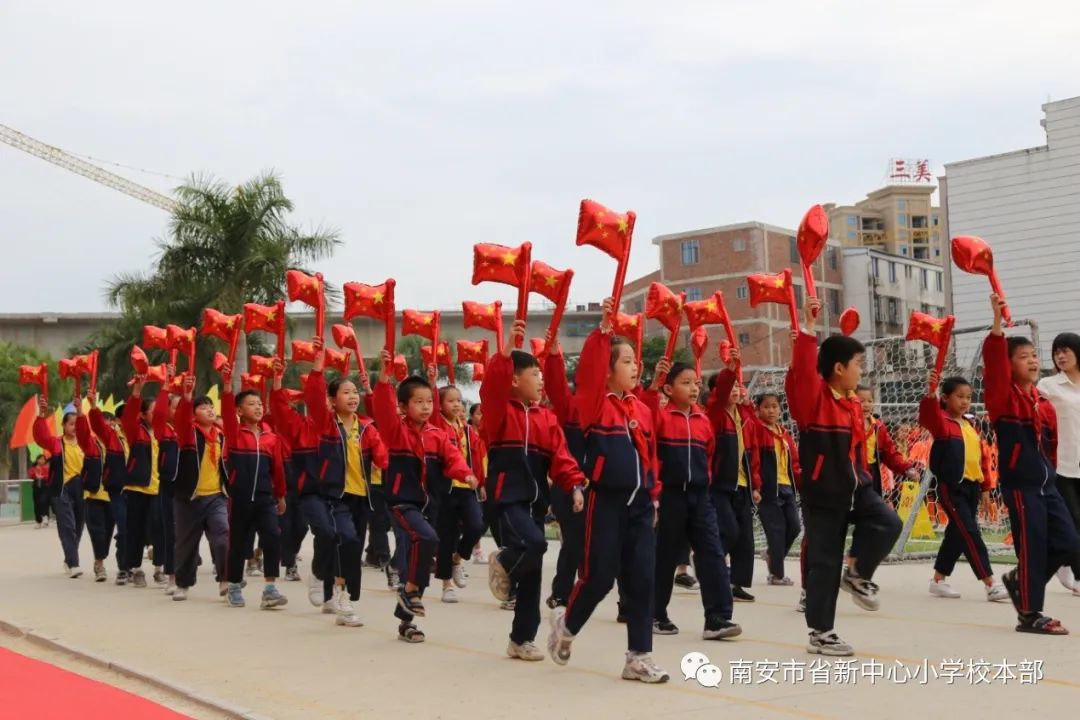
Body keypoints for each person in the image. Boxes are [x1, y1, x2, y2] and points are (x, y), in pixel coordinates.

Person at [548, 298, 669, 684]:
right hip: (605, 502)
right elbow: (588, 373)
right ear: (608, 369)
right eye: (627, 361)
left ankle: (638, 657)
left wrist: (654, 496)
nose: (635, 367)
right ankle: (567, 625)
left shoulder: (643, 409)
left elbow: (650, 457)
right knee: (600, 577)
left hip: (639, 505)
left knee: (642, 578)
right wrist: (602, 332)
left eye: (636, 361)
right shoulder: (595, 404)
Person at [786, 297, 902, 656]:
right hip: (824, 493)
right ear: (838, 368)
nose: (860, 370)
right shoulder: (812, 399)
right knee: (823, 561)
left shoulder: (852, 402)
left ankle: (857, 573)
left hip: (858, 487)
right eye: (857, 364)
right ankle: (821, 633)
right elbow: (803, 372)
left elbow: (855, 449)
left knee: (889, 523)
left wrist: (865, 477)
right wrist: (807, 327)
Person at [481, 322, 585, 660]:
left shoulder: (547, 418)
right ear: (515, 380)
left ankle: (521, 639)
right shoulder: (499, 413)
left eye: (542, 375)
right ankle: (503, 562)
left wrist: (573, 485)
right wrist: (506, 352)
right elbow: (492, 389)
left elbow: (562, 457)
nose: (541, 381)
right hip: (506, 498)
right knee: (535, 545)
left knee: (534, 570)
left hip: (535, 503)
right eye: (534, 375)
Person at [983, 294, 1080, 634]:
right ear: (1008, 366)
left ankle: (1019, 580)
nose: (1033, 361)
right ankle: (1030, 614)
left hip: (1047, 484)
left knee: (1070, 542)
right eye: (1023, 357)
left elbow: (1050, 444)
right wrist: (996, 323)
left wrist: (1050, 472)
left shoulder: (1039, 401)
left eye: (1034, 355)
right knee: (1033, 545)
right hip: (1022, 486)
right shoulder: (1002, 397)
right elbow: (993, 363)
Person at [373, 350, 477, 643]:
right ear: (403, 406)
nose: (425, 406)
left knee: (420, 563)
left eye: (429, 401)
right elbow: (382, 409)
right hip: (401, 503)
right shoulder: (396, 432)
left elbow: (454, 458)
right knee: (421, 546)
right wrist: (383, 379)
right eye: (418, 402)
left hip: (430, 506)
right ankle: (408, 591)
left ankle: (407, 620)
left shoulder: (437, 435)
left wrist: (466, 473)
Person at [645, 357, 741, 640]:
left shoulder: (704, 419)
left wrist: (730, 372)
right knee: (664, 558)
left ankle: (718, 618)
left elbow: (720, 397)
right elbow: (645, 416)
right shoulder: (661, 416)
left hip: (700, 497)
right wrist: (652, 386)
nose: (693, 388)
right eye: (685, 383)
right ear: (669, 389)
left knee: (712, 554)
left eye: (696, 383)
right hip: (670, 497)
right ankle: (654, 615)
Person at [918, 374, 1008, 602]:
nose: (965, 401)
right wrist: (930, 392)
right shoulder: (941, 423)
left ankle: (938, 581)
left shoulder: (970, 425)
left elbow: (983, 458)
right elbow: (928, 414)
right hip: (952, 488)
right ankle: (990, 583)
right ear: (945, 398)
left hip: (972, 488)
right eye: (960, 396)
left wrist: (986, 488)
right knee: (969, 532)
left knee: (957, 533)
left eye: (968, 397)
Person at [221, 379, 289, 610]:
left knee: (272, 537)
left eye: (260, 404)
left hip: (264, 499)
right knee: (238, 543)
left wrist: (280, 495)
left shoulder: (272, 438)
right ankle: (233, 586)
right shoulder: (234, 433)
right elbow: (227, 413)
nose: (258, 408)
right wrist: (228, 389)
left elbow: (277, 470)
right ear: (240, 410)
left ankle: (270, 589)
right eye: (252, 404)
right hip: (239, 498)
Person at [429, 372, 486, 604]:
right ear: (440, 405)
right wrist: (433, 384)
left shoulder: (467, 428)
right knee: (446, 535)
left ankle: (457, 559)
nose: (456, 404)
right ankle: (446, 584)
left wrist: (480, 482)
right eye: (450, 400)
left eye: (459, 400)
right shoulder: (436, 425)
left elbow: (477, 455)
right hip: (445, 488)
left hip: (466, 486)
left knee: (476, 526)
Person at [171, 376, 230, 601]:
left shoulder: (222, 435)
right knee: (186, 544)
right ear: (194, 414)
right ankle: (183, 584)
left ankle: (225, 579)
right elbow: (181, 420)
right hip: (190, 498)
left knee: (223, 535)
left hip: (216, 497)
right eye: (203, 407)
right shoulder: (188, 434)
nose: (209, 410)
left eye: (211, 407)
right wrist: (186, 398)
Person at [705, 363, 760, 603]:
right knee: (729, 531)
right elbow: (723, 389)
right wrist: (730, 369)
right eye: (731, 385)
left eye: (739, 385)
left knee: (745, 538)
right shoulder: (715, 413)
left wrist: (756, 484)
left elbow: (754, 452)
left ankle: (736, 583)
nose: (736, 389)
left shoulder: (745, 417)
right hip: (720, 484)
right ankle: (711, 568)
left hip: (743, 484)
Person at [542, 335, 587, 609]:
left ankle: (627, 605)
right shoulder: (572, 409)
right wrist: (554, 357)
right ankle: (561, 593)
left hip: (604, 488)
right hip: (569, 486)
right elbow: (557, 388)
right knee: (574, 544)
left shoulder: (616, 407)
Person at [1036, 331, 1080, 596]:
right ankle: (1077, 574)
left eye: (1066, 350)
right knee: (1074, 519)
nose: (1061, 356)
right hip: (1060, 463)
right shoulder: (1048, 386)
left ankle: (1063, 559)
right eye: (1056, 352)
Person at [753, 392, 802, 587]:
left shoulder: (784, 434)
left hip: (786, 487)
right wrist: (756, 486)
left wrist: (801, 484)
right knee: (776, 530)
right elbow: (754, 460)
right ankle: (776, 574)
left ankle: (773, 555)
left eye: (774, 406)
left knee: (795, 527)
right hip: (768, 489)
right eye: (766, 406)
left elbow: (795, 463)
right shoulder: (758, 431)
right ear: (758, 410)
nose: (771, 410)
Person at [33, 396, 85, 578]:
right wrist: (41, 414)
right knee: (67, 526)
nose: (74, 427)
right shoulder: (56, 443)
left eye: (76, 424)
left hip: (81, 489)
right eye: (71, 424)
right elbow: (40, 436)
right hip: (62, 490)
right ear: (64, 425)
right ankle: (74, 563)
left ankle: (69, 558)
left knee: (78, 526)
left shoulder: (84, 443)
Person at [121, 378, 165, 589]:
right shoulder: (134, 430)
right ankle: (135, 569)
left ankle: (159, 569)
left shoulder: (164, 431)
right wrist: (137, 390)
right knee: (136, 530)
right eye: (153, 411)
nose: (157, 414)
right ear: (143, 414)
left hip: (158, 488)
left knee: (159, 528)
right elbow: (129, 415)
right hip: (137, 488)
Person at [74, 396, 113, 582]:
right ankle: (99, 564)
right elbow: (81, 434)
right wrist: (81, 413)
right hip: (95, 494)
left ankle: (104, 557)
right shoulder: (92, 444)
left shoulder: (119, 444)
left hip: (115, 495)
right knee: (97, 531)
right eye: (104, 423)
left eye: (110, 423)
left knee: (108, 533)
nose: (108, 426)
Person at [89, 404, 129, 585]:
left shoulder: (138, 437)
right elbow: (96, 426)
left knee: (123, 530)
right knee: (109, 529)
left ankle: (130, 564)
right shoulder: (107, 438)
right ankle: (113, 565)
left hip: (134, 490)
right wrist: (90, 407)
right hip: (102, 492)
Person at [29, 455, 51, 528]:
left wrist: (43, 477)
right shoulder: (33, 468)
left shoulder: (47, 467)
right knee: (37, 504)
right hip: (36, 488)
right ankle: (38, 521)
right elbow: (30, 474)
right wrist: (35, 475)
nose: (42, 460)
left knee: (43, 502)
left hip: (45, 488)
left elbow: (49, 476)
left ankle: (45, 517)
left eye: (43, 459)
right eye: (40, 459)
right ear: (37, 460)